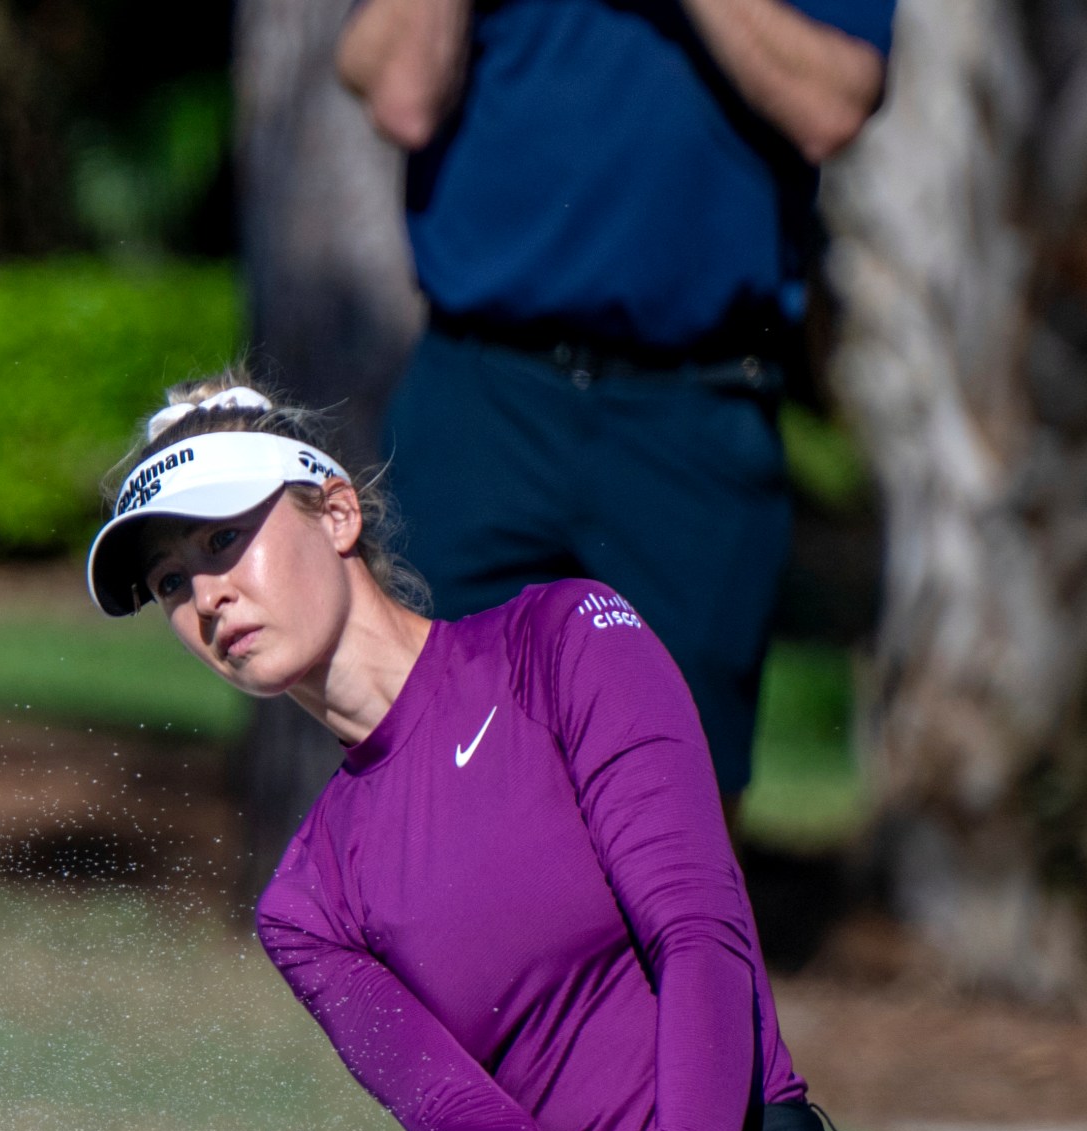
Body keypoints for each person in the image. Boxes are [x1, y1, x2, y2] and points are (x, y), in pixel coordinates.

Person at [85, 376, 903, 1131]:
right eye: (170, 583)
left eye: (225, 540)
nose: (208, 598)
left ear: (339, 513)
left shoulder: (561, 642)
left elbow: (701, 928)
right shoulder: (305, 902)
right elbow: (456, 1112)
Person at [334, 0, 895, 808]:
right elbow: (398, 91)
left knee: (674, 816)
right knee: (430, 788)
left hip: (692, 414)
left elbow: (832, 105)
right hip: (483, 401)